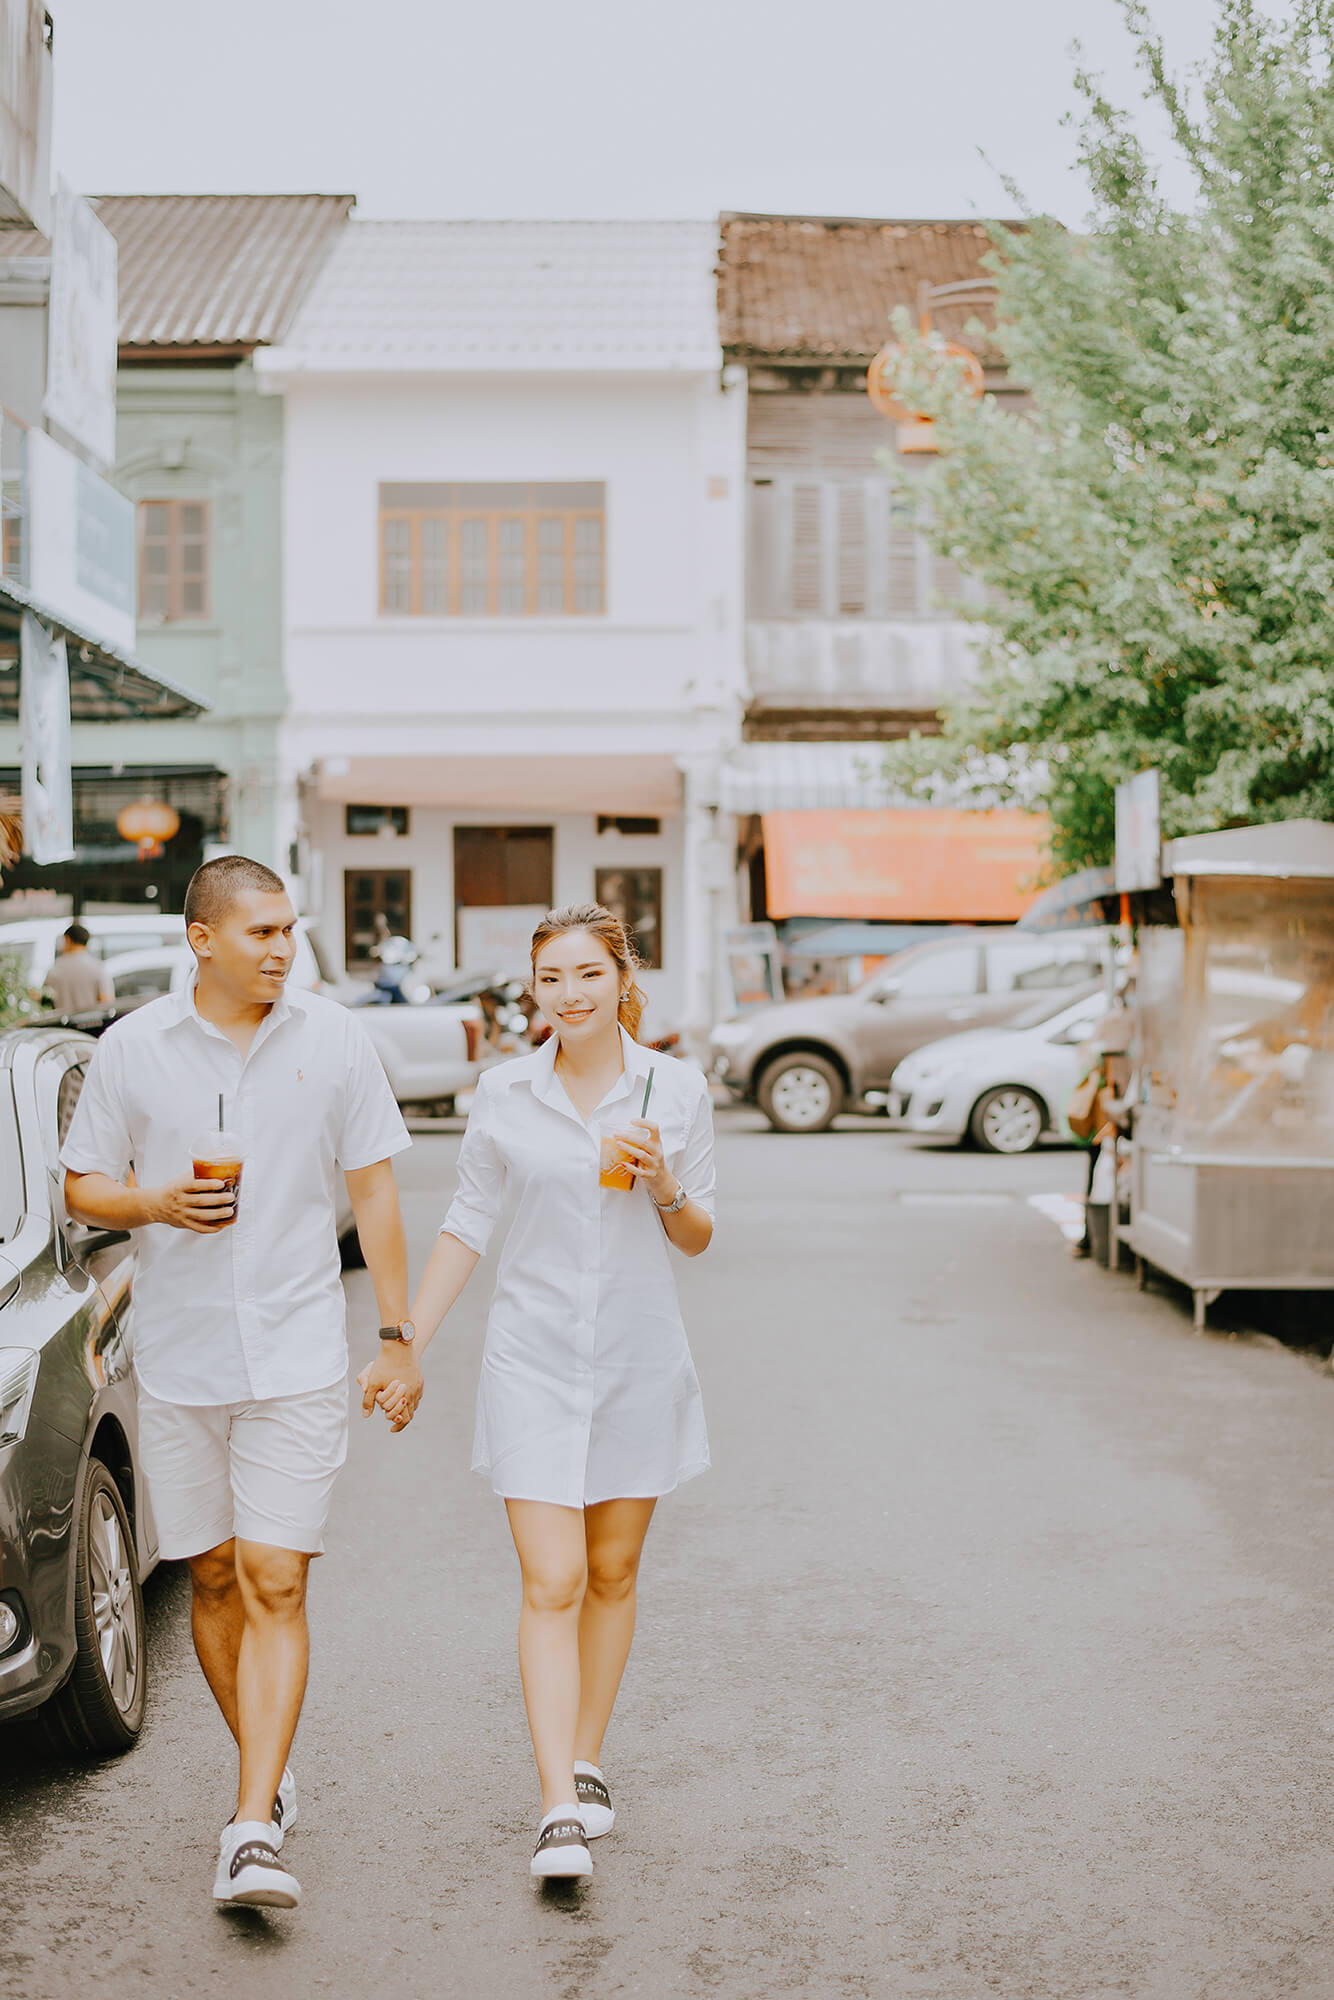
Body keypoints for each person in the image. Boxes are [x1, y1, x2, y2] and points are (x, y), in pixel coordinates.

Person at [61, 855, 422, 1914]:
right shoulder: (132, 1048)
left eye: (289, 929)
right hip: (177, 1357)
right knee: (211, 1576)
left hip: (300, 1350)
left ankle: (251, 1820)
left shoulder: (334, 1038)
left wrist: (397, 1336)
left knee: (275, 1576)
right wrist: (156, 1202)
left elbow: (378, 1191)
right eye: (259, 930)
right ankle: (268, 1761)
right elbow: (83, 1183)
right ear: (200, 938)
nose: (281, 947)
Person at [384, 902, 715, 1881]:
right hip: (529, 1359)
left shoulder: (675, 1088)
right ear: (531, 990)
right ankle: (557, 1807)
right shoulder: (504, 1091)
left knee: (612, 1574)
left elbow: (697, 1235)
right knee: (552, 1579)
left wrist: (661, 1181)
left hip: (636, 1360)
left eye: (585, 974)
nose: (567, 995)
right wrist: (404, 1342)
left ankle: (586, 1753)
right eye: (550, 978)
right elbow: (465, 1221)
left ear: (622, 978)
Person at [43, 923, 113, 1016]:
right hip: (92, 1025)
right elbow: (106, 1002)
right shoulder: (98, 968)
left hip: (62, 1026)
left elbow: (45, 1000)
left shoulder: (55, 969)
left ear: (67, 939)